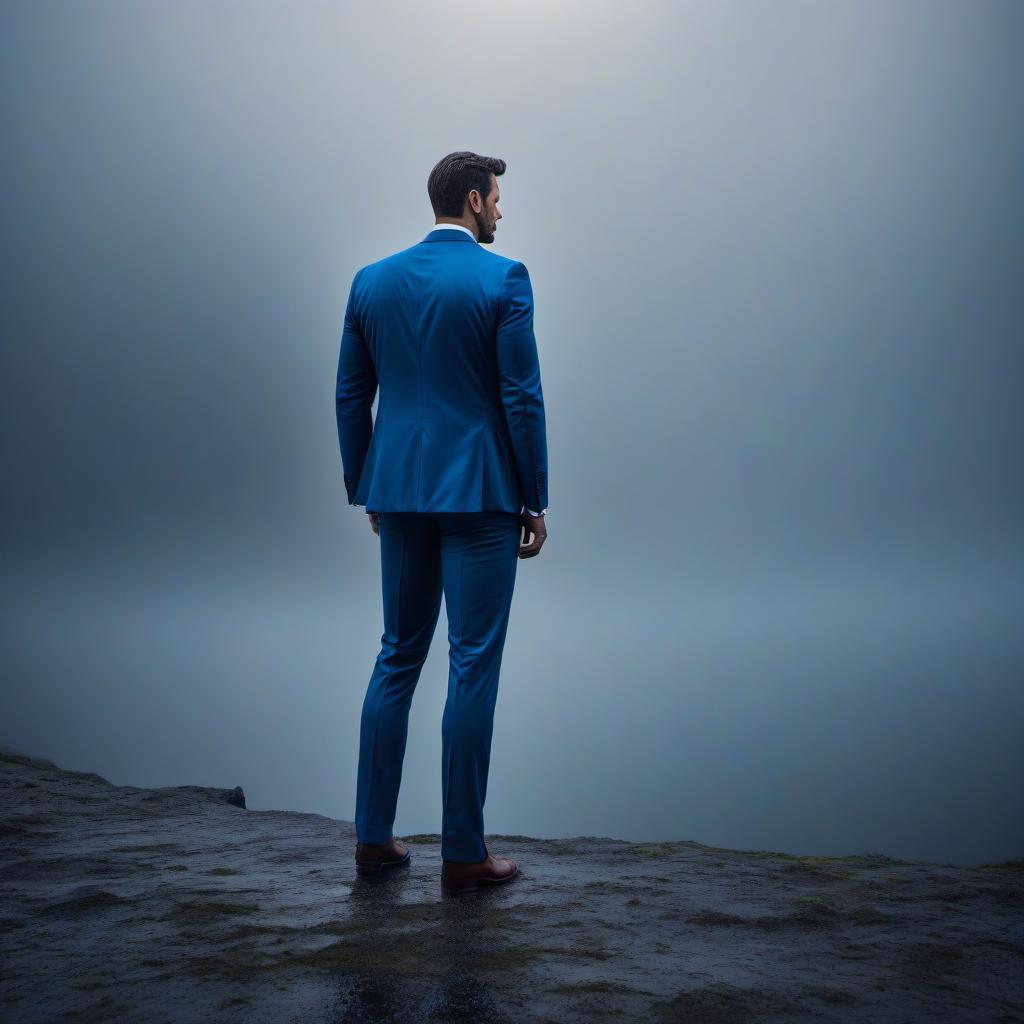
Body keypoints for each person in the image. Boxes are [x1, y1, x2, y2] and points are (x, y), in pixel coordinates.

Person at [335, 151, 549, 896]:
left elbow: (348, 397)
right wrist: (536, 496)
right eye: (496, 199)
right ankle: (463, 852)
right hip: (482, 494)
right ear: (471, 198)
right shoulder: (504, 278)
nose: (501, 211)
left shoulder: (371, 281)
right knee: (472, 663)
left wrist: (369, 485)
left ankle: (371, 839)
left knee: (397, 654)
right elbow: (521, 397)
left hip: (398, 493)